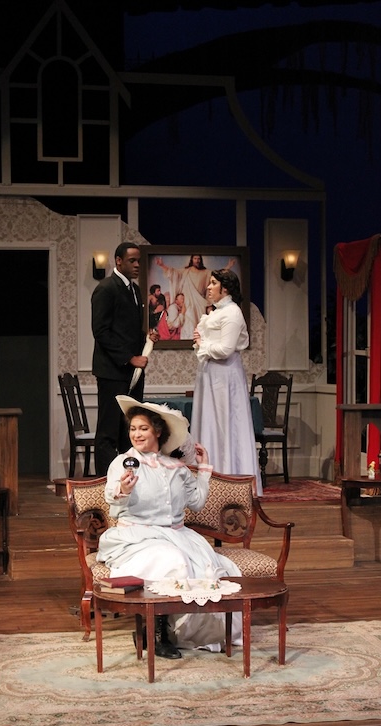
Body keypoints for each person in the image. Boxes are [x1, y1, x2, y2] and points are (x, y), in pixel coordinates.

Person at [97, 395, 243, 658]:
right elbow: (112, 497)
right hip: (137, 537)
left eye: (143, 428)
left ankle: (184, 633)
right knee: (172, 561)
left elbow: (196, 503)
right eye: (133, 429)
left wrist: (204, 469)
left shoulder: (176, 468)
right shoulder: (123, 463)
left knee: (218, 569)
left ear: (157, 432)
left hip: (177, 535)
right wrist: (123, 490)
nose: (136, 434)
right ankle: (158, 635)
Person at [190, 268, 263, 496]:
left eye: (213, 283)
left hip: (224, 377)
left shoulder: (232, 312)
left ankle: (230, 479)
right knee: (210, 422)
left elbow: (225, 349)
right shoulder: (217, 312)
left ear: (226, 288)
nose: (208, 287)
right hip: (210, 374)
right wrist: (201, 341)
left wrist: (202, 343)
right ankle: (208, 481)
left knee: (224, 424)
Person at [91, 241, 159, 477]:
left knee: (128, 429)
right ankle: (105, 483)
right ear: (118, 261)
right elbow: (101, 331)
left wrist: (146, 338)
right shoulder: (106, 289)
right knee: (108, 430)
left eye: (139, 260)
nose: (137, 265)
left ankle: (128, 480)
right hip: (112, 372)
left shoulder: (135, 290)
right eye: (132, 261)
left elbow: (127, 331)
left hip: (132, 374)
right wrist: (130, 358)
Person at [155, 254, 209, 339]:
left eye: (199, 259)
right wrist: (162, 265)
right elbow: (173, 273)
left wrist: (228, 266)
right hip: (187, 303)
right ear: (192, 260)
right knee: (188, 323)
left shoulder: (205, 272)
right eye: (195, 258)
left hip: (199, 304)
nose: (197, 260)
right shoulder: (186, 271)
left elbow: (216, 276)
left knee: (200, 325)